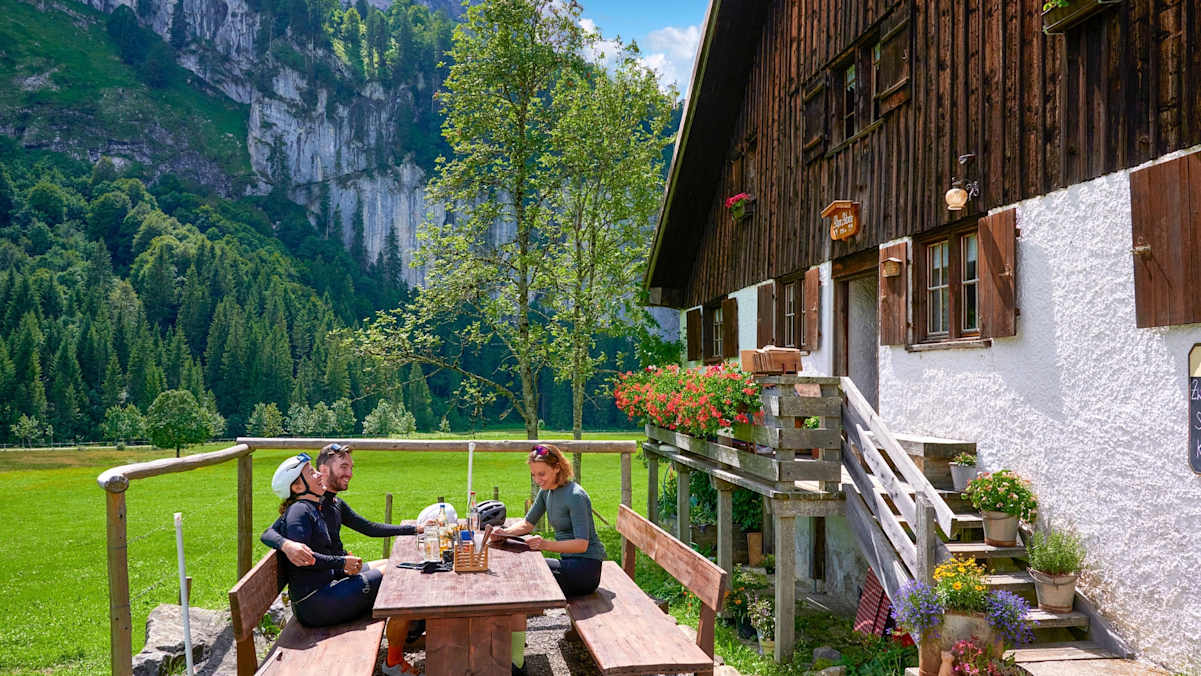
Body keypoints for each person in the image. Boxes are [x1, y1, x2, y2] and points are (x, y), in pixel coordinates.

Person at [267, 448, 418, 676]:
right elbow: (293, 550)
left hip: (325, 591)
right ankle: (395, 661)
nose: (317, 474)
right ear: (297, 487)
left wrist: (414, 529)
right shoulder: (300, 510)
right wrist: (340, 562)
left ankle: (409, 632)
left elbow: (367, 527)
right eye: (312, 473)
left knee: (394, 566)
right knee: (397, 576)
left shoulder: (316, 504)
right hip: (317, 603)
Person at [490, 444, 606, 676]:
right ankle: (512, 652)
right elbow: (527, 524)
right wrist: (503, 532)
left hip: (585, 569)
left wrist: (545, 545)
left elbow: (582, 544)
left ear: (556, 468)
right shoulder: (547, 492)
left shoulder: (575, 496)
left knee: (524, 579)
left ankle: (516, 662)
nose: (537, 480)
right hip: (570, 563)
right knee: (521, 573)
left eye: (541, 474)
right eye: (534, 475)